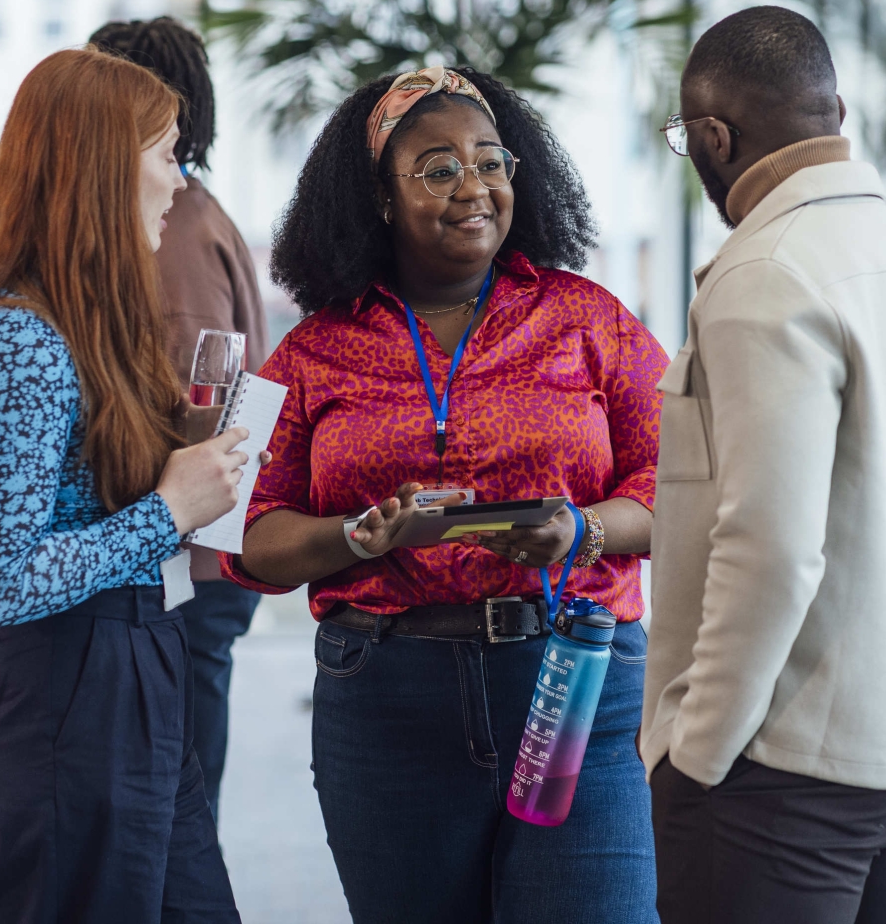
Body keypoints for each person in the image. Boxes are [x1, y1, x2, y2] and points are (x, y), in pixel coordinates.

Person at [225, 66, 667, 924]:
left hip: (573, 674)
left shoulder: (590, 319)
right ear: (380, 198)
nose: (473, 186)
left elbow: (680, 482)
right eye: (437, 167)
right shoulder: (313, 351)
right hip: (388, 694)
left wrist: (581, 530)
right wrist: (359, 538)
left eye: (490, 161)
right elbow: (246, 531)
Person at [643, 6, 886, 924]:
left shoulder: (769, 273)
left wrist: (696, 748)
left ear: (715, 138)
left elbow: (768, 545)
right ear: (834, 113)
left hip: (785, 767)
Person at [0, 47, 252, 923]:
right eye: (166, 156)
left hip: (131, 676)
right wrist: (167, 512)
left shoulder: (90, 329)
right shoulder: (20, 341)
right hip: (60, 701)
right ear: (103, 171)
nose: (179, 184)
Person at [90, 16, 265, 821]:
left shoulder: (172, 231)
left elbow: (194, 409)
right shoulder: (189, 214)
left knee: (170, 818)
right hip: (183, 552)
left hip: (183, 562)